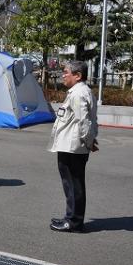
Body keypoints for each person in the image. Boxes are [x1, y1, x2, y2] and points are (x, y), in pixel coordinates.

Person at [48, 61, 98, 233]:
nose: (63, 75)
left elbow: (84, 121)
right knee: (71, 183)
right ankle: (71, 217)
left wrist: (90, 141)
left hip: (73, 146)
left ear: (78, 76)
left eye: (66, 72)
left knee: (73, 183)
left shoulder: (78, 94)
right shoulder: (80, 91)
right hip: (71, 145)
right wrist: (91, 139)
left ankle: (74, 222)